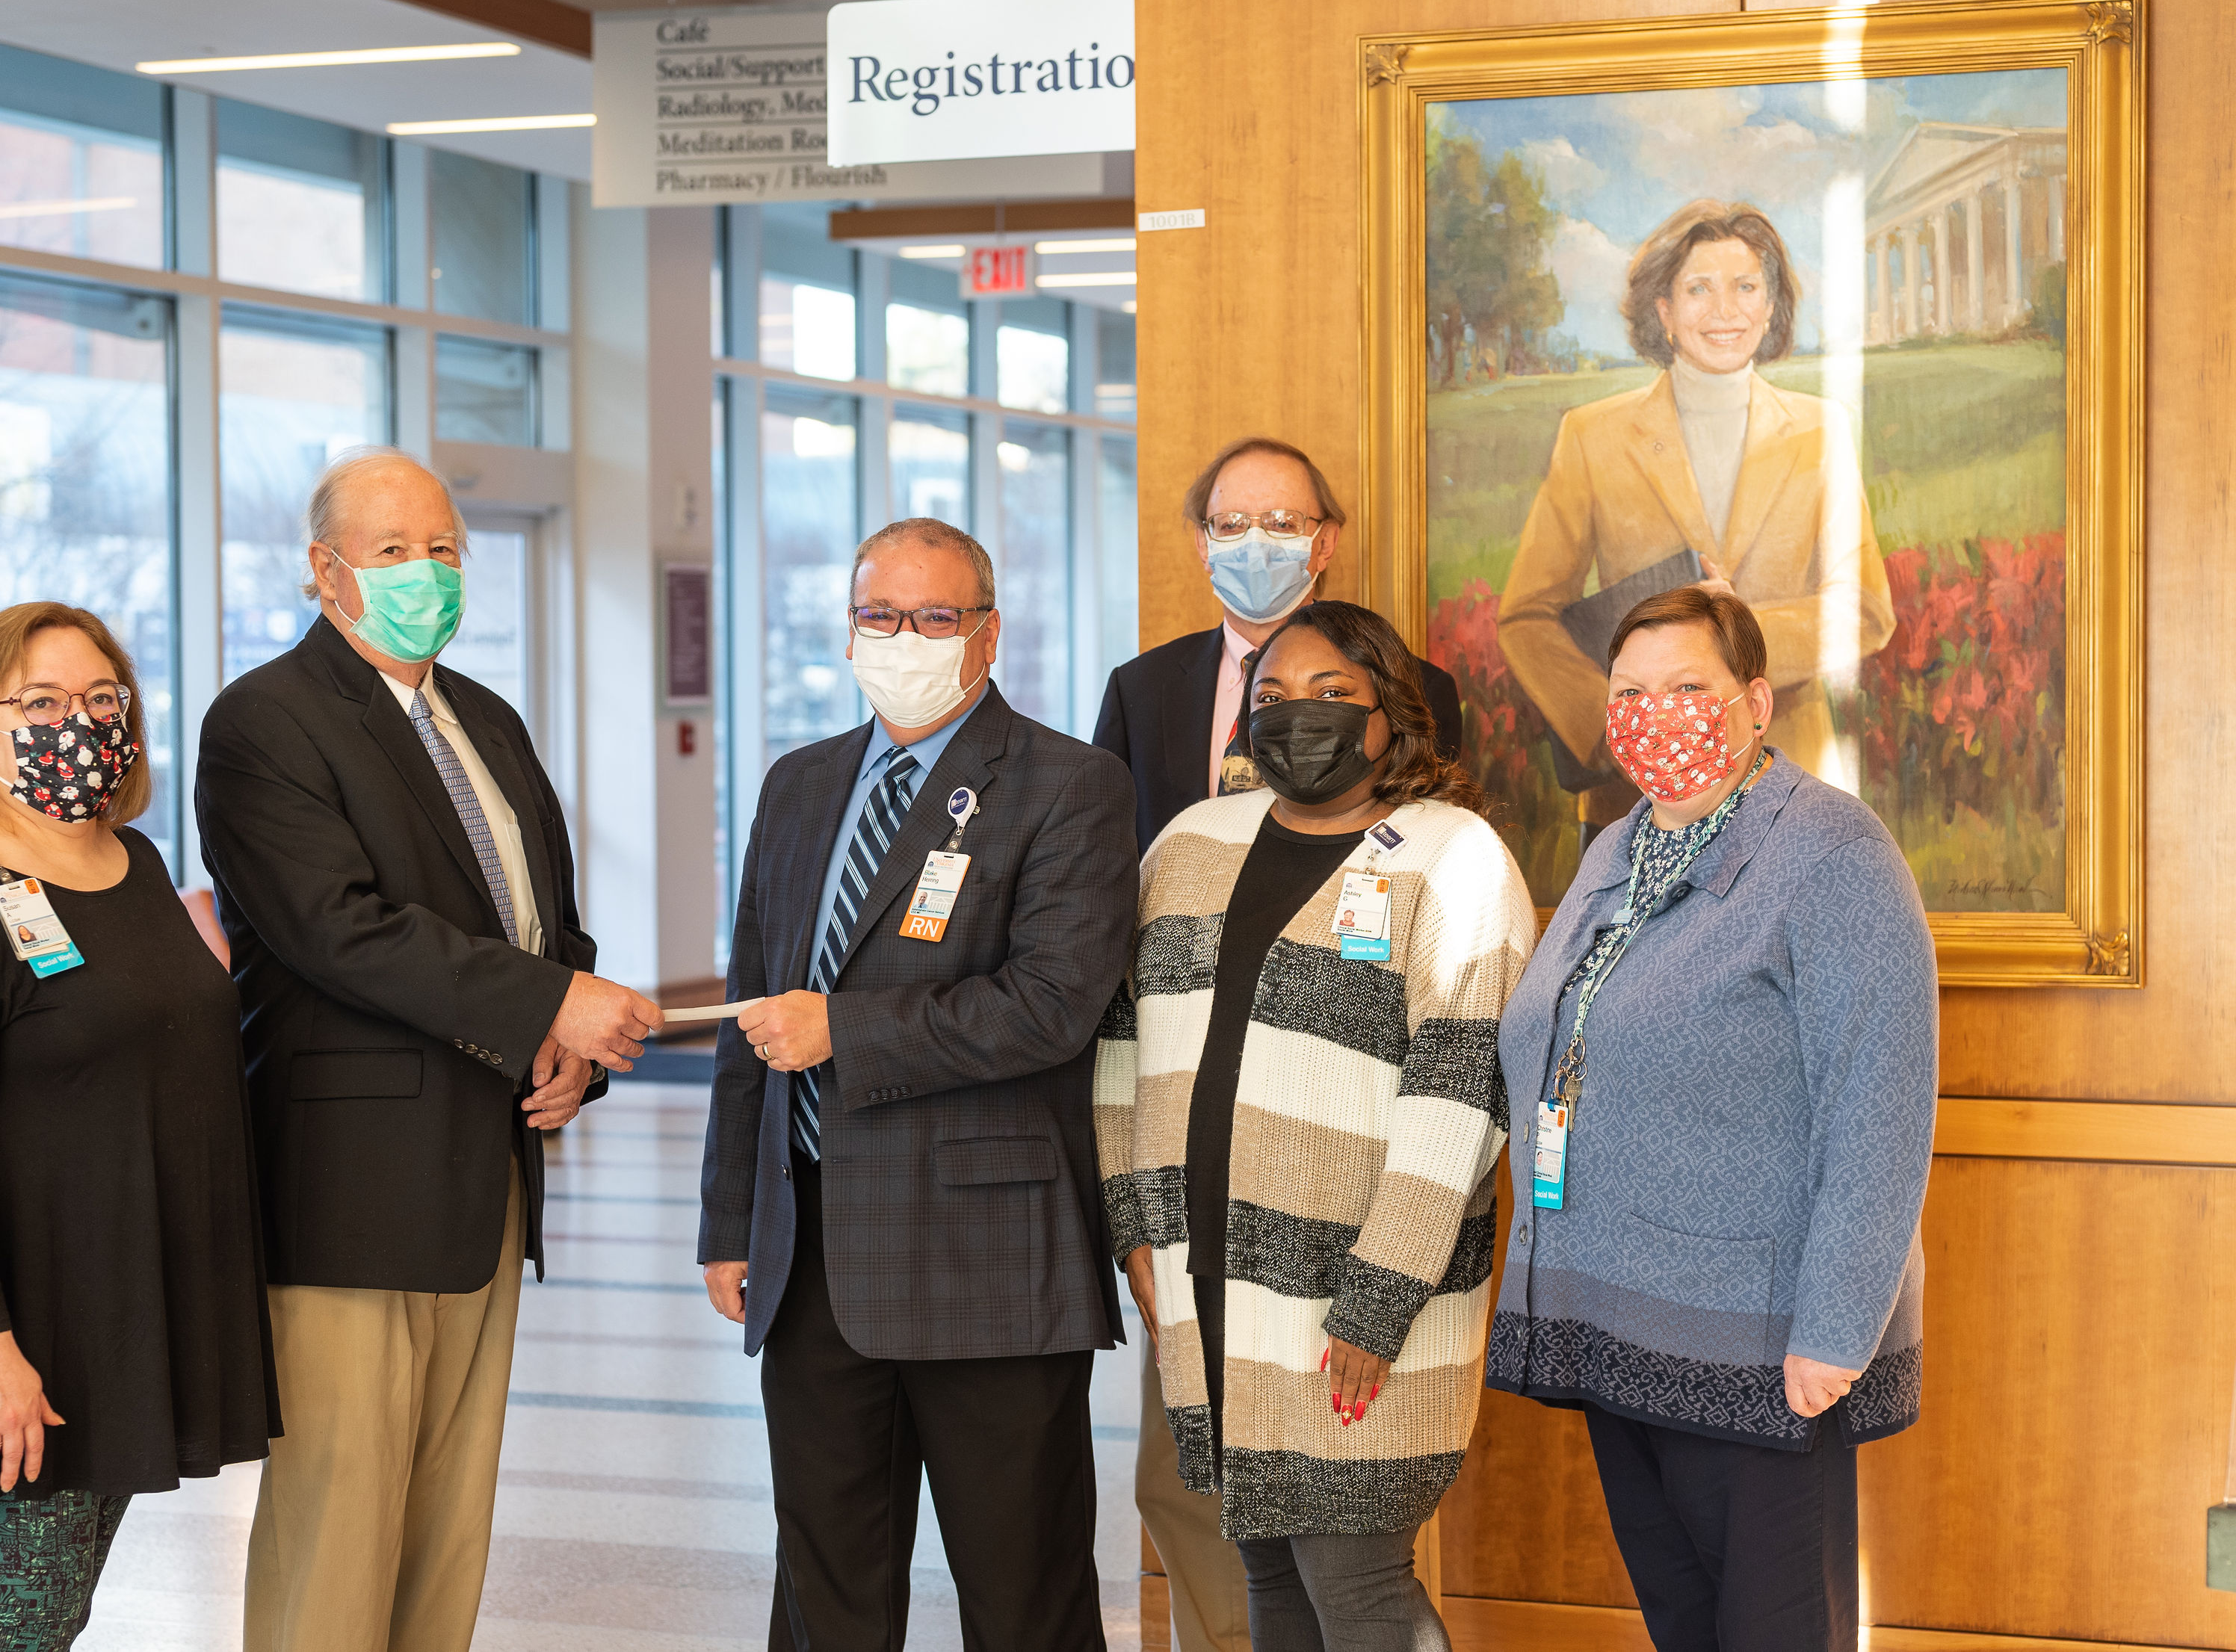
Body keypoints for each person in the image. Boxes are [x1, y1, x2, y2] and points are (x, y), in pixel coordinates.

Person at [197, 447, 659, 1652]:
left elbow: (547, 923)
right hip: (351, 1191)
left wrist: (573, 1051)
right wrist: (549, 999)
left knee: (447, 1534)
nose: (425, 574)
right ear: (325, 569)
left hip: (489, 1177)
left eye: (444, 549)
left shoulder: (488, 721)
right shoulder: (264, 723)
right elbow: (341, 930)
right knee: (336, 1537)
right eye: (393, 550)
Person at [701, 516, 1136, 1650]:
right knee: (824, 1587)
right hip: (810, 1255)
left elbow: (1052, 1004)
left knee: (1022, 1587)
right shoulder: (799, 786)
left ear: (987, 636)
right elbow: (755, 1014)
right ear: (849, 630)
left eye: (935, 617)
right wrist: (727, 1222)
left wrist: (845, 1030)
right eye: (880, 616)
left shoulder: (1070, 785)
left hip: (985, 1254)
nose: (904, 638)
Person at [1487, 586, 1936, 1651]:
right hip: (1618, 1323)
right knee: (1686, 1626)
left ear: (1754, 700)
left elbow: (1878, 1101)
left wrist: (1836, 1331)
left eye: (1689, 689)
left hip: (1762, 1339)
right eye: (1631, 694)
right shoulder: (1617, 849)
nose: (1657, 715)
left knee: (1777, 1633)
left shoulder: (1833, 855)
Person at [1097, 601, 1533, 1652]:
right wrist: (1134, 1226)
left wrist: (1376, 1304)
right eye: (1274, 697)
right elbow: (1121, 1047)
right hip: (1210, 1286)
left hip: (1357, 1306)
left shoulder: (1453, 860)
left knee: (1359, 1583)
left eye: (1335, 696)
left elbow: (1463, 1094)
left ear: (1392, 713)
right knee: (1271, 1575)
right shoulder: (1192, 844)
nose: (1301, 717)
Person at [0, 602, 277, 1650]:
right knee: (23, 1623)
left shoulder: (132, 869)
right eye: (39, 702)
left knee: (56, 1615)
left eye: (100, 699)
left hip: (126, 1311)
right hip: (19, 1334)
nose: (77, 724)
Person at [1498, 199, 1894, 836]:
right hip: (1635, 806)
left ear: (1770, 308)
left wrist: (1727, 630)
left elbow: (1866, 610)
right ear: (1665, 311)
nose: (1725, 310)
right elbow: (1527, 617)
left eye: (1745, 287)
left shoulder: (1824, 430)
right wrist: (1616, 736)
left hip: (1792, 786)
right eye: (1699, 289)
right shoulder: (1591, 435)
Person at [1095, 436, 1463, 854]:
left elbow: (1433, 844)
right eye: (1231, 524)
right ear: (1204, 544)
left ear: (1324, 543)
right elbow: (1103, 849)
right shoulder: (1138, 688)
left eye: (1282, 523)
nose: (1255, 544)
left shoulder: (1419, 686)